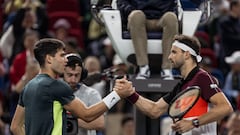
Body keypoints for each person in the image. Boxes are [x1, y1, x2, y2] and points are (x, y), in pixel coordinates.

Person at [10, 38, 133, 135]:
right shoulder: (56, 86)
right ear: (49, 59)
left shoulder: (29, 87)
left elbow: (15, 127)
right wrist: (117, 94)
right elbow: (87, 115)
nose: (65, 60)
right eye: (62, 55)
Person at [114, 35, 233, 134]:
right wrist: (130, 93)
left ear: (186, 54)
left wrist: (193, 123)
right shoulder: (180, 85)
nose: (169, 57)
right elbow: (154, 110)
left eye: (174, 52)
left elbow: (225, 107)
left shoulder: (202, 77)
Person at [117, 0, 179, 79]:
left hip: (161, 19)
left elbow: (174, 6)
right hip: (139, 18)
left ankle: (167, 68)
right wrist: (131, 11)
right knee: (135, 16)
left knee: (171, 17)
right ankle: (143, 67)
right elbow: (123, 3)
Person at [63, 53, 105, 135]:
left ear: (82, 75)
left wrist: (68, 120)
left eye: (77, 75)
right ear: (62, 73)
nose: (73, 80)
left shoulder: (92, 94)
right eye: (70, 75)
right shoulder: (53, 92)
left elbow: (100, 123)